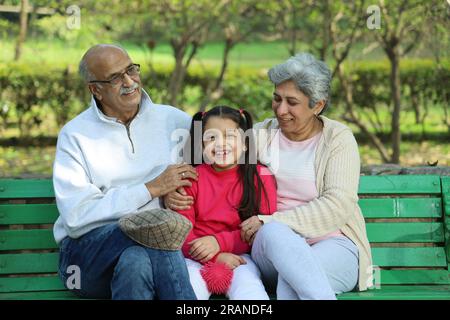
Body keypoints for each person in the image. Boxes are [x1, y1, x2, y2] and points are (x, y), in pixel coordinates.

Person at [53, 44, 197, 300]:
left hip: (146, 254)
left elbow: (223, 151)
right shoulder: (75, 135)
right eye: (116, 77)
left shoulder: (174, 120)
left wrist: (175, 192)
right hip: (85, 258)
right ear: (95, 89)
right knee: (159, 230)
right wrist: (151, 190)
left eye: (131, 69)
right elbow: (77, 218)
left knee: (136, 262)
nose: (129, 81)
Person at [239, 53, 373, 300]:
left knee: (295, 278)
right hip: (270, 248)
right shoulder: (259, 136)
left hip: (334, 246)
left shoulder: (337, 139)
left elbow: (337, 205)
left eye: (292, 102)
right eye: (276, 99)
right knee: (275, 234)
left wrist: (270, 219)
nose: (281, 110)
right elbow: (212, 160)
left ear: (318, 105)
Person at [174, 106, 277, 300]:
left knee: (249, 289)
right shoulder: (192, 178)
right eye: (211, 137)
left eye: (230, 136)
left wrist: (221, 243)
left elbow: (262, 229)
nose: (221, 144)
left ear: (245, 142)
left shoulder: (261, 176)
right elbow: (181, 232)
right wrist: (215, 256)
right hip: (194, 256)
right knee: (190, 289)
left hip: (241, 256)